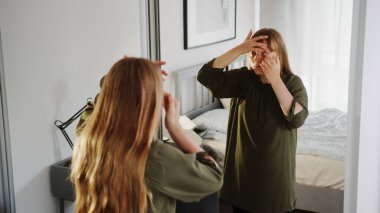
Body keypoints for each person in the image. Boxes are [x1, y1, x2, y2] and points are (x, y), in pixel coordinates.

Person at [70, 57, 223, 213]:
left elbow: (97, 106)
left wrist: (121, 76)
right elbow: (214, 179)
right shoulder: (153, 157)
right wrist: (175, 128)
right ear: (149, 107)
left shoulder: (87, 136)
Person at [197, 28, 309, 213]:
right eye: (253, 53)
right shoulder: (243, 79)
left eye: (264, 53)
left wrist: (274, 79)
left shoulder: (292, 83)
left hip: (275, 187)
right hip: (242, 183)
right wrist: (239, 49)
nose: (256, 58)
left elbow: (296, 119)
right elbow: (205, 75)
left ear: (278, 55)